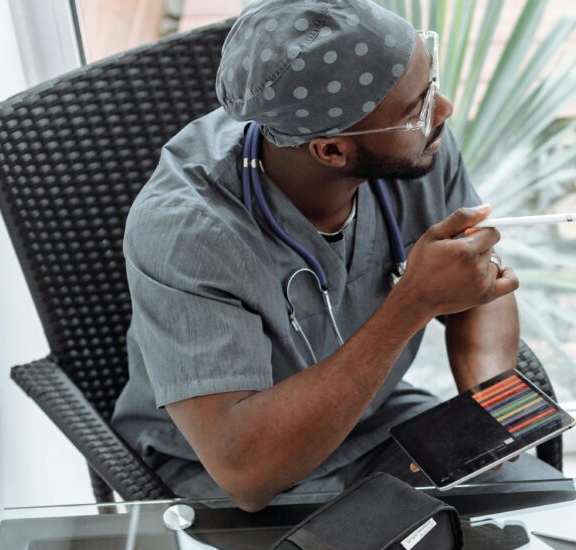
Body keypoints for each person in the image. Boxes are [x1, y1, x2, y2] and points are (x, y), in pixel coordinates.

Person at [111, 0, 543, 511]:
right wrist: (411, 305)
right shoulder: (189, 231)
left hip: (379, 422)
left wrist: (492, 403)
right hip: (237, 471)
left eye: (430, 86)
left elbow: (475, 281)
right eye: (417, 108)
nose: (443, 109)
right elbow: (246, 472)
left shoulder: (417, 150)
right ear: (332, 151)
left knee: (527, 524)